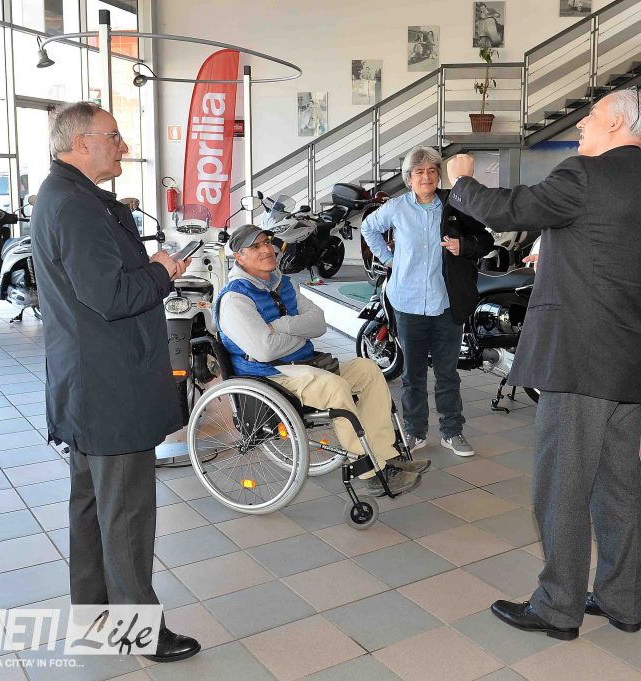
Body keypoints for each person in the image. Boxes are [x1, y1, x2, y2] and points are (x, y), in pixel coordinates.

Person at [445, 88, 641, 640]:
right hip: (627, 356)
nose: (581, 128)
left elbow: (508, 208)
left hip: (577, 359)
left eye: (591, 118)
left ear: (617, 124)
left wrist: (462, 180)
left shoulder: (584, 175)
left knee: (562, 485)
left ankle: (557, 605)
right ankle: (622, 599)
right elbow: (608, 255)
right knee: (619, 485)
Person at [31, 101, 200, 663]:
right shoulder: (75, 205)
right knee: (125, 511)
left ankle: (96, 615)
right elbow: (111, 296)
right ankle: (137, 629)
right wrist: (163, 271)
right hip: (109, 384)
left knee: (91, 505)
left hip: (86, 381)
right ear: (80, 143)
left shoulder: (67, 196)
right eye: (114, 135)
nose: (123, 144)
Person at [216, 224, 430, 496]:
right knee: (334, 387)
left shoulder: (283, 283)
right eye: (255, 246)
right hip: (272, 375)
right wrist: (300, 333)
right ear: (239, 257)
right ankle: (369, 471)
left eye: (267, 242)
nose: (267, 249)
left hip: (304, 365)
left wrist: (282, 326)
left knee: (367, 369)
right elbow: (265, 350)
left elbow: (318, 324)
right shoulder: (235, 299)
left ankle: (386, 455)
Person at [361, 146, 494, 458]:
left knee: (448, 374)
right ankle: (415, 432)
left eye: (432, 171)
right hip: (407, 302)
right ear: (409, 178)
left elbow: (485, 240)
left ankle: (452, 431)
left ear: (439, 176)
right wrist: (389, 259)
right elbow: (368, 228)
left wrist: (463, 245)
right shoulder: (396, 208)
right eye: (419, 172)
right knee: (413, 375)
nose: (426, 177)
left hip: (446, 303)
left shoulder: (454, 205)